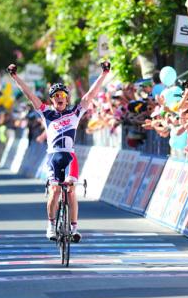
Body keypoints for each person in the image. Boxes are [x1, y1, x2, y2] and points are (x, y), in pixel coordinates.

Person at [7, 61, 111, 242]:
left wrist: (104, 74)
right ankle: (50, 226)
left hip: (70, 156)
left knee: (70, 190)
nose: (59, 98)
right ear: (51, 100)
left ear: (67, 98)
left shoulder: (75, 112)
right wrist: (15, 77)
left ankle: (74, 228)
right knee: (55, 190)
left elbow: (90, 95)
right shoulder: (46, 113)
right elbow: (30, 94)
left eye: (62, 95)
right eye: (55, 96)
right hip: (53, 157)